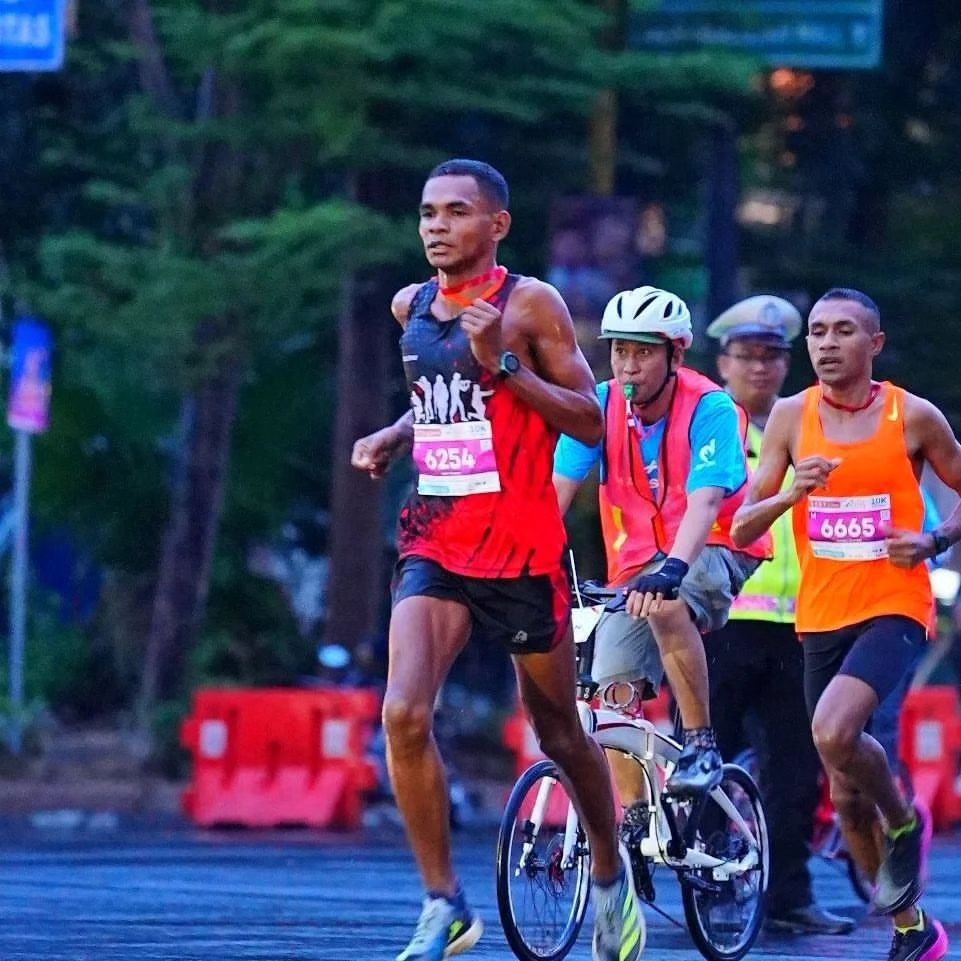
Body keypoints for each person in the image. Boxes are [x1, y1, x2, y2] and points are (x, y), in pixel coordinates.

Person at [351, 159, 645, 961]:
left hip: (520, 553)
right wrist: (395, 434)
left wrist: (504, 363)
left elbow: (589, 420)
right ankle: (443, 901)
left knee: (558, 732)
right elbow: (440, 403)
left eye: (455, 211)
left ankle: (610, 875)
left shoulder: (530, 305)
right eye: (427, 213)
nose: (436, 226)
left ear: (496, 225)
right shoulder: (410, 306)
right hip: (435, 538)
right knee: (402, 712)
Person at [732, 287, 958, 961]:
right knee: (844, 797)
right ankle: (913, 928)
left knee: (833, 731)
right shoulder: (789, 416)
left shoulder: (911, 415)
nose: (827, 343)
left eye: (843, 331)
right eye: (818, 331)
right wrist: (791, 492)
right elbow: (741, 526)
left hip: (894, 604)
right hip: (820, 616)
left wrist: (934, 540)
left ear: (874, 343)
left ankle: (904, 819)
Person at [552, 285, 772, 827]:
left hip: (716, 545)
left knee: (668, 603)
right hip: (637, 565)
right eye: (620, 350)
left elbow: (707, 500)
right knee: (611, 692)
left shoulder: (711, 407)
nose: (629, 365)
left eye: (644, 352)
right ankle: (634, 821)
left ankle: (700, 743)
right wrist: (525, 562)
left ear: (676, 355)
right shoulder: (599, 405)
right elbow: (557, 491)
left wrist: (674, 568)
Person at [705, 296, 854, 935]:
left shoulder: (808, 425)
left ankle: (789, 896)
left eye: (771, 356)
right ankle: (710, 888)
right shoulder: (707, 427)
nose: (760, 368)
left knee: (796, 770)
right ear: (723, 363)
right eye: (747, 356)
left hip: (800, 622)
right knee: (704, 762)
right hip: (719, 621)